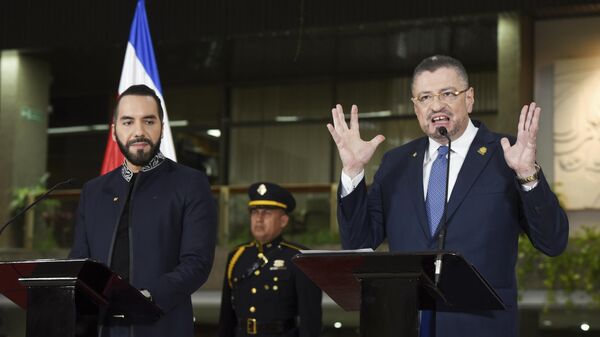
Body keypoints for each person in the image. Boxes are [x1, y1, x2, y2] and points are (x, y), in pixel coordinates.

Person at [326, 55, 569, 337]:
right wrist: (353, 173)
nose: (436, 105)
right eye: (425, 97)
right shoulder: (396, 163)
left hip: (481, 326)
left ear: (469, 98)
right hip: (406, 323)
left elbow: (553, 242)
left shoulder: (507, 154)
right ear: (415, 107)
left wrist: (527, 174)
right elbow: (358, 243)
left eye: (448, 94)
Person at [70, 84, 217, 337]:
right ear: (115, 131)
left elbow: (197, 263)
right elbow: (79, 262)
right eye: (128, 122)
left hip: (162, 324)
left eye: (148, 121)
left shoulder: (190, 183)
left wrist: (146, 298)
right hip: (102, 328)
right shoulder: (94, 191)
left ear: (162, 126)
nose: (139, 131)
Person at [218, 182, 322, 337]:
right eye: (254, 212)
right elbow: (226, 317)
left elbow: (310, 320)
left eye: (267, 213)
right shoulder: (237, 256)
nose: (259, 219)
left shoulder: (299, 258)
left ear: (283, 221)